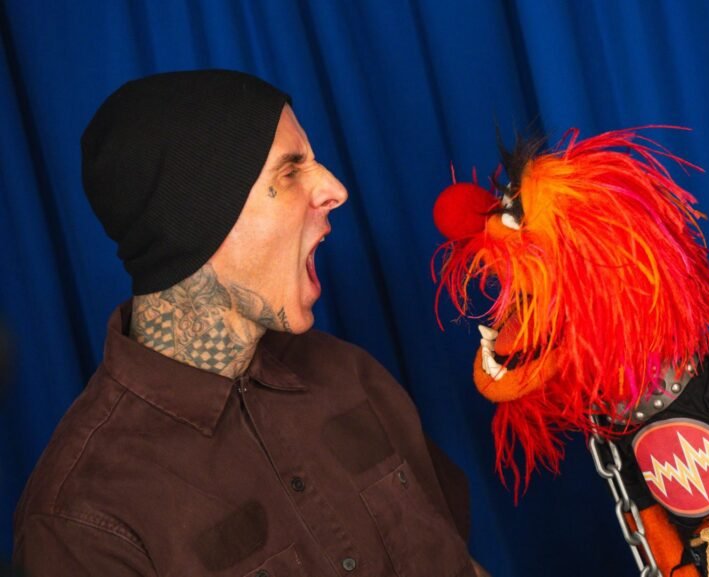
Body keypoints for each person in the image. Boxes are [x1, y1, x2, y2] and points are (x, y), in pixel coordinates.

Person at [13, 70, 487, 577]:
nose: (335, 189)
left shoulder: (347, 373)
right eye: (290, 171)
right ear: (197, 220)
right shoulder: (81, 520)